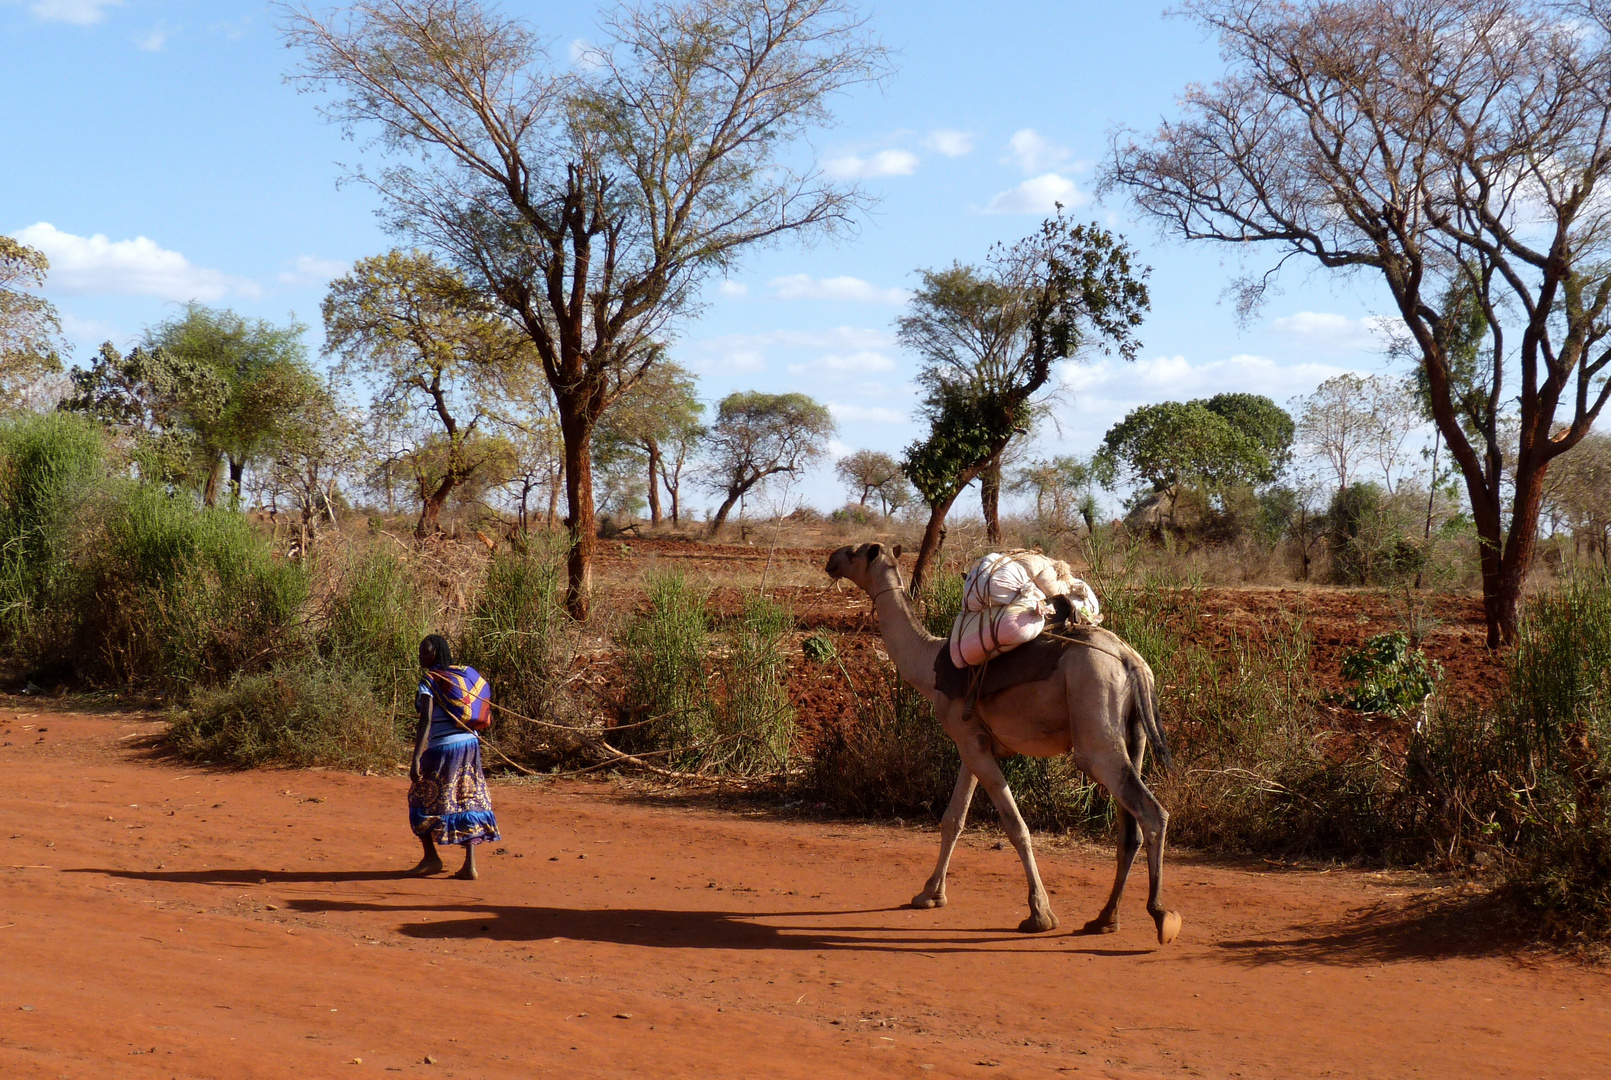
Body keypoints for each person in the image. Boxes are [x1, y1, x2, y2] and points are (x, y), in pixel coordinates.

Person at [408, 634, 499, 879]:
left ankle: (431, 858)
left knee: (419, 798)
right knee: (466, 798)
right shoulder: (461, 676)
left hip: (443, 749)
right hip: (470, 745)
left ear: (437, 653)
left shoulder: (430, 681)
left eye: (425, 652)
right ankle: (469, 865)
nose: (421, 657)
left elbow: (425, 720)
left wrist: (416, 757)